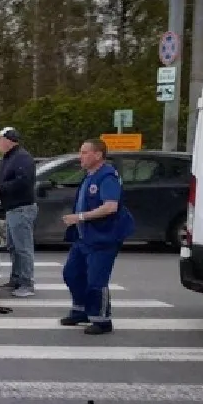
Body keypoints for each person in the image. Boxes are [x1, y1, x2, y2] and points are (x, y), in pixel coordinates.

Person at [60, 138, 135, 335]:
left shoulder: (107, 176)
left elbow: (111, 206)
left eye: (85, 152)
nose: (80, 156)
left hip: (103, 237)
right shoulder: (89, 176)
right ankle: (81, 310)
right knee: (72, 274)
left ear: (98, 155)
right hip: (84, 237)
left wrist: (80, 217)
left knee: (96, 280)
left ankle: (102, 320)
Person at [0, 127, 37, 297]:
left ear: (9, 140)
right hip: (13, 208)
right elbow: (7, 179)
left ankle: (27, 283)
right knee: (13, 246)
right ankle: (16, 278)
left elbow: (22, 182)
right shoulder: (10, 157)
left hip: (22, 208)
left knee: (23, 247)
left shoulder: (22, 158)